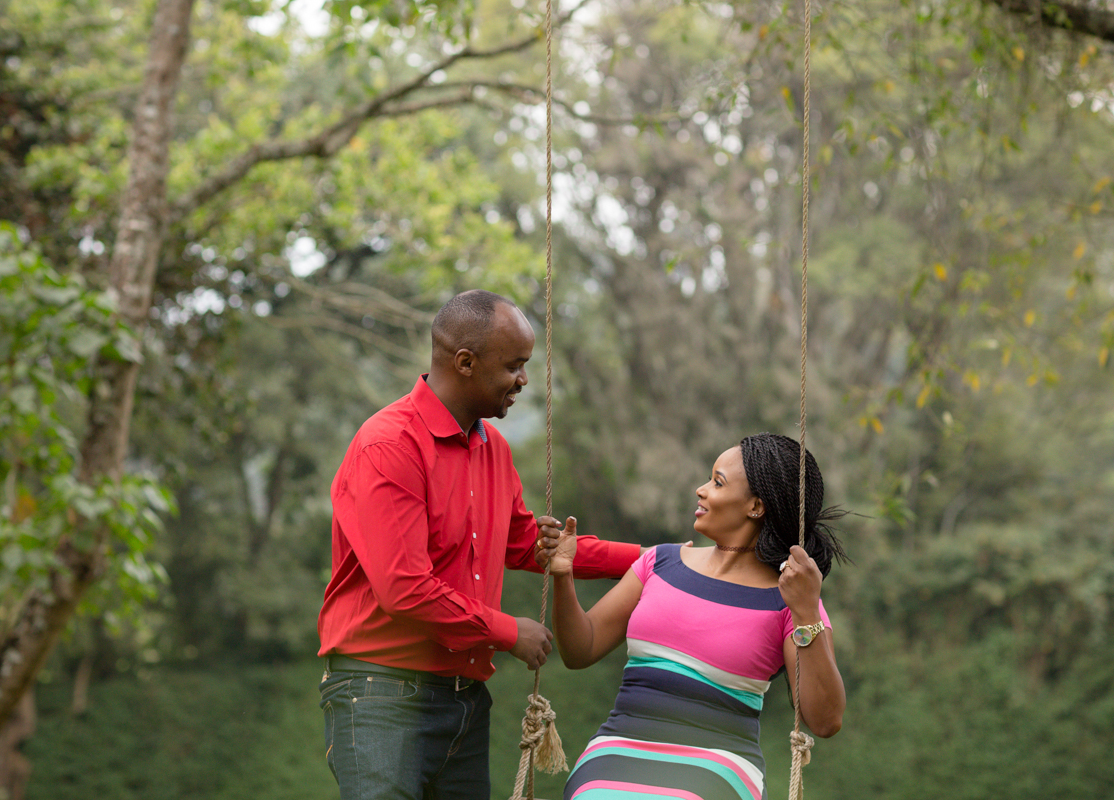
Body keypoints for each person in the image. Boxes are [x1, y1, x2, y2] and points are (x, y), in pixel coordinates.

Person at [317, 289, 641, 800]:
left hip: (465, 699)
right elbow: (403, 587)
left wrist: (654, 561)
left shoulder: (493, 450)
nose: (524, 380)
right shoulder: (389, 445)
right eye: (514, 365)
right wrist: (508, 631)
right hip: (381, 695)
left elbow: (528, 545)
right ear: (465, 362)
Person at [545, 432, 848, 800]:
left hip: (720, 763)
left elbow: (826, 720)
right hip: (619, 746)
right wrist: (563, 577)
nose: (700, 490)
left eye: (717, 482)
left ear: (755, 506)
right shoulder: (661, 562)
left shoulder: (791, 595)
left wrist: (804, 612)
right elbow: (581, 649)